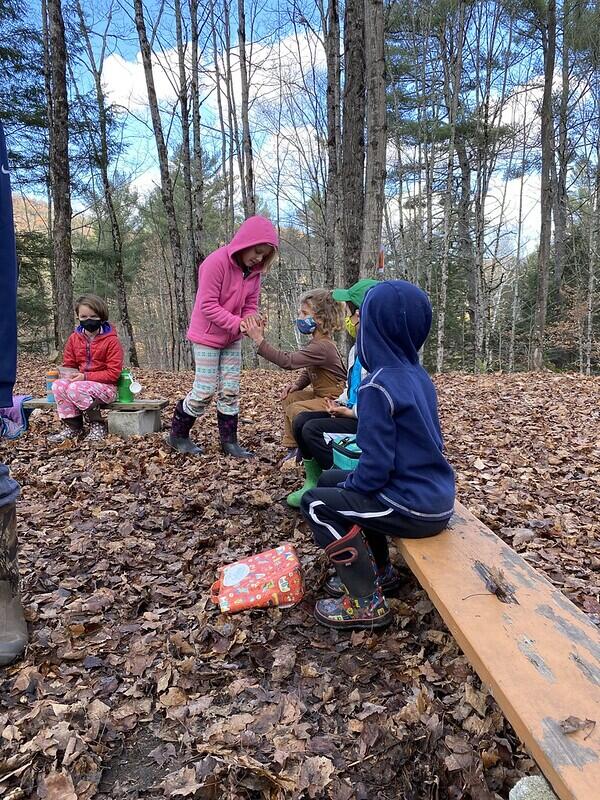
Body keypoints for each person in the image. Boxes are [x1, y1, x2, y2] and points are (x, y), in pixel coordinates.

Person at [300, 280, 456, 631]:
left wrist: (356, 484)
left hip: (410, 504)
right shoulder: (417, 376)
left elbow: (376, 467)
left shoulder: (377, 385)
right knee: (330, 481)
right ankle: (381, 570)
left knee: (315, 503)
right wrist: (352, 483)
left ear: (371, 327)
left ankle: (364, 601)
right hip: (435, 495)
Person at [167, 215, 278, 457]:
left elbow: (250, 303)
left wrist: (251, 321)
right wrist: (238, 324)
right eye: (257, 251)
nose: (259, 258)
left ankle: (229, 443)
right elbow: (207, 305)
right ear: (245, 242)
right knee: (205, 390)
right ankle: (177, 434)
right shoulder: (215, 263)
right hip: (207, 336)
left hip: (232, 338)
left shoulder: (254, 272)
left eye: (264, 255)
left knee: (230, 390)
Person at [286, 279, 378, 507]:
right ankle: (314, 480)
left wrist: (350, 412)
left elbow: (375, 402)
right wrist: (341, 402)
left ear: (361, 316)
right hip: (350, 409)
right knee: (302, 422)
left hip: (364, 420)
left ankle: (341, 482)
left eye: (348, 312)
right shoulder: (356, 349)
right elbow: (352, 385)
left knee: (311, 428)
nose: (345, 318)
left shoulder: (376, 355)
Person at [243, 288, 346, 462]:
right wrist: (298, 385)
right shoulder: (317, 343)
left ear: (320, 319)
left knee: (296, 409)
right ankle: (293, 448)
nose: (299, 316)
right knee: (290, 397)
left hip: (334, 397)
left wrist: (259, 340)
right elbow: (310, 369)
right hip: (321, 394)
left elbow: (288, 362)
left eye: (304, 313)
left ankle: (302, 453)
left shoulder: (323, 346)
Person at [0, 119, 28, 665]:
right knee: (66, 388)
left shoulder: (112, 341)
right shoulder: (77, 337)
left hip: (97, 384)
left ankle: (2, 585)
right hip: (75, 379)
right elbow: (73, 362)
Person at [48, 294, 124, 443]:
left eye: (93, 316)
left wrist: (85, 377)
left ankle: (97, 426)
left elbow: (114, 373)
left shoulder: (112, 341)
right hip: (81, 384)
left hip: (107, 388)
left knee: (75, 388)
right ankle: (73, 427)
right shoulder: (74, 338)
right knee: (58, 385)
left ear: (101, 317)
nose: (88, 320)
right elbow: (70, 364)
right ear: (78, 317)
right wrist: (66, 373)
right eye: (83, 316)